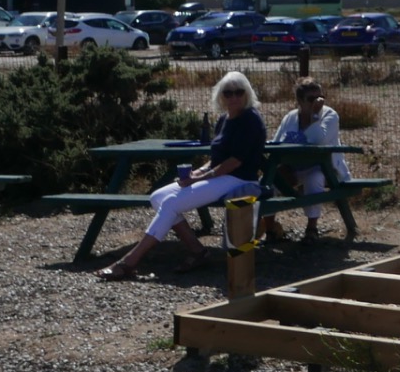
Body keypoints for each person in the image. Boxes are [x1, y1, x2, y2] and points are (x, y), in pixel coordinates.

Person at [96, 70, 267, 280]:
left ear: (247, 93)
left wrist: (200, 178)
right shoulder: (224, 119)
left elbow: (234, 162)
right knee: (157, 197)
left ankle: (129, 261)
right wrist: (198, 171)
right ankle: (197, 251)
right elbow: (217, 159)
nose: (233, 97)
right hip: (220, 175)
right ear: (221, 96)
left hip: (239, 178)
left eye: (238, 92)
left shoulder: (250, 119)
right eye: (228, 93)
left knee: (171, 203)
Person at [265, 78, 347, 245]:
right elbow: (277, 142)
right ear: (300, 101)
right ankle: (270, 229)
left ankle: (311, 228)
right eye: (311, 99)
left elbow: (319, 140)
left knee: (314, 178)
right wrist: (282, 165)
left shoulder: (330, 116)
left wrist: (314, 116)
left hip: (322, 167)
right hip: (293, 167)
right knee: (269, 181)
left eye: (320, 98)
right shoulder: (290, 118)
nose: (317, 103)